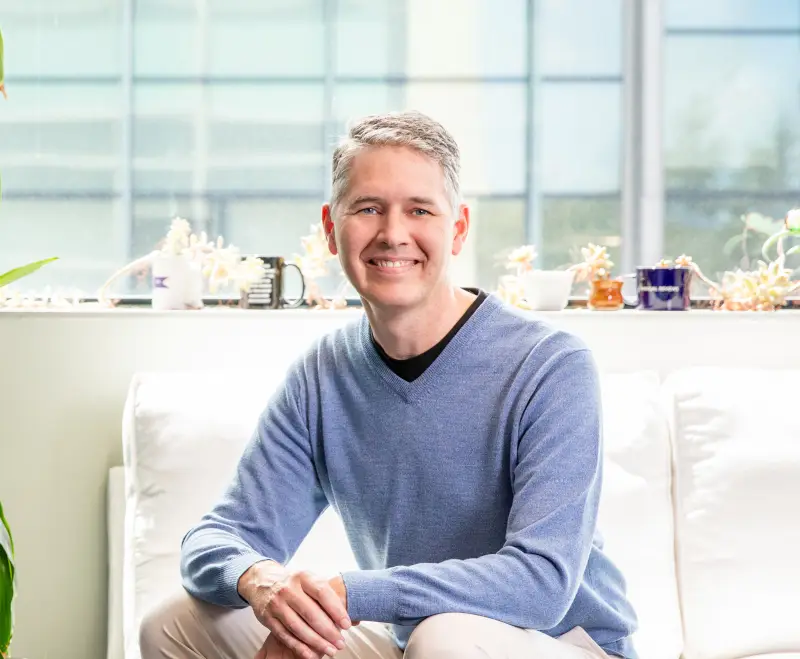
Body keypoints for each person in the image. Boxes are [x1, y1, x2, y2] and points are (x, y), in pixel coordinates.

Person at [139, 111, 638, 659]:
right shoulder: (321, 377)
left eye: (419, 209)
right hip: (411, 640)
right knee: (171, 624)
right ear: (331, 229)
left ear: (459, 228)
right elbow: (216, 539)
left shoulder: (550, 366)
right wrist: (269, 588)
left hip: (561, 644)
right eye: (368, 208)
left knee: (442, 637)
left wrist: (349, 593)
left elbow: (540, 583)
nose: (393, 234)